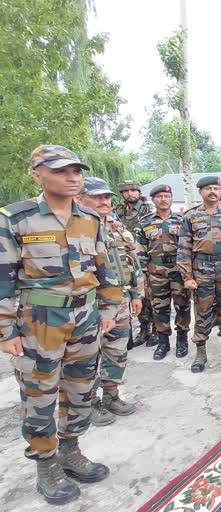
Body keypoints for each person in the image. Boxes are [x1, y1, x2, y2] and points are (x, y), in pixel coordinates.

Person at [0, 145, 122, 504]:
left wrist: (109, 308)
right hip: (39, 321)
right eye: (62, 171)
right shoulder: (15, 218)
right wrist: (5, 331)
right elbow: (3, 278)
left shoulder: (90, 217)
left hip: (85, 317)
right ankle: (46, 464)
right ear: (37, 174)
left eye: (77, 171)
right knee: (39, 397)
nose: (73, 177)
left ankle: (71, 450)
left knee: (81, 389)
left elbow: (104, 267)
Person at [76, 178, 145, 425]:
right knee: (88, 355)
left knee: (117, 351)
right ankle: (89, 403)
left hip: (121, 299)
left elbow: (132, 260)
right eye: (97, 197)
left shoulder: (115, 225)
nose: (104, 201)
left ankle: (111, 395)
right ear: (79, 199)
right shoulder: (76, 227)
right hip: (91, 303)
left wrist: (136, 294)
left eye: (106, 197)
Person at [177, 176, 221, 373]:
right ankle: (201, 352)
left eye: (215, 188)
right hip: (201, 269)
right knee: (202, 309)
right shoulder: (190, 216)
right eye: (208, 188)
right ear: (200, 192)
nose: (212, 191)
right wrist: (187, 276)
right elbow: (184, 248)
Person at [136, 184, 192, 359]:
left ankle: (182, 340)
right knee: (159, 308)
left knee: (182, 306)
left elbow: (189, 247)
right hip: (156, 272)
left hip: (178, 271)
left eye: (166, 196)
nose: (163, 199)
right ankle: (163, 342)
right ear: (153, 200)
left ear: (171, 199)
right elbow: (140, 251)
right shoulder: (145, 223)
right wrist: (142, 275)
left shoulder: (182, 221)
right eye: (159, 196)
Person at [115, 180, 156, 346]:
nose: (130, 194)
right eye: (126, 191)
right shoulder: (118, 211)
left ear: (139, 192)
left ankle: (155, 330)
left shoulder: (148, 210)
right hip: (124, 259)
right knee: (134, 295)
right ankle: (143, 329)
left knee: (149, 296)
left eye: (133, 190)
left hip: (145, 257)